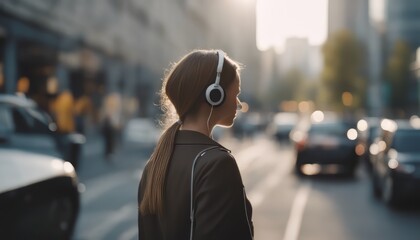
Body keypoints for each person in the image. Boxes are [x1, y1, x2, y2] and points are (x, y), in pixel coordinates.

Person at [138, 49, 254, 240]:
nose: (239, 103)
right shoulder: (218, 164)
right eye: (236, 94)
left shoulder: (155, 163)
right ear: (214, 94)